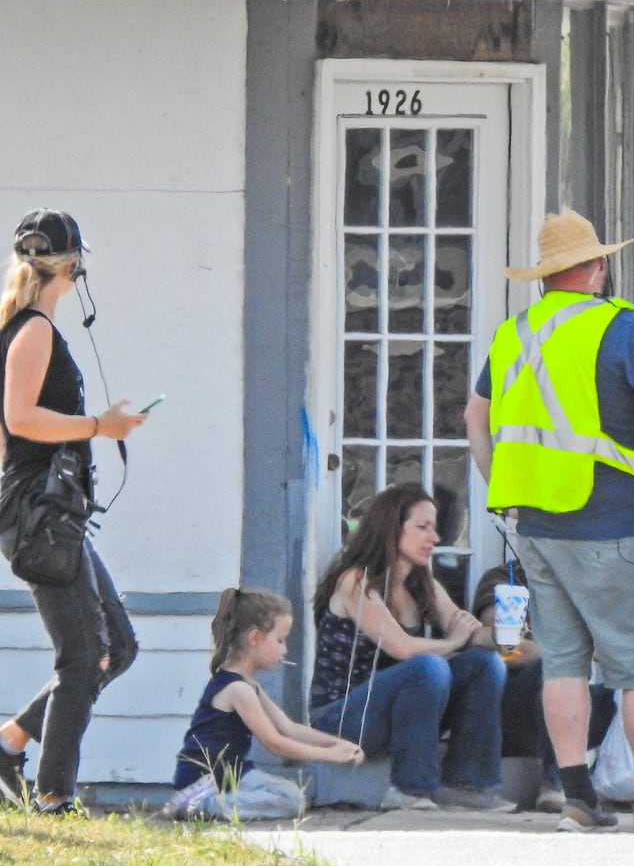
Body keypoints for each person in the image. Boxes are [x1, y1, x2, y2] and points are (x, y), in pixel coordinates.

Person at [464, 208, 634, 834]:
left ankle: (577, 798)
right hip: (609, 522)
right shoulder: (623, 327)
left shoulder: (514, 332)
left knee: (564, 664)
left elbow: (474, 417)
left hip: (537, 527)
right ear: (599, 266)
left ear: (546, 277)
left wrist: (502, 487)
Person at [0, 209, 148, 816]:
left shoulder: (23, 326)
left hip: (49, 510)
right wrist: (100, 426)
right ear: (73, 264)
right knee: (84, 656)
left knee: (120, 645)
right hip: (40, 511)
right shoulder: (32, 330)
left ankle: (10, 743)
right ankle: (55, 798)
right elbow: (19, 419)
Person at [307, 484, 510, 812]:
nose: (435, 537)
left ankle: (468, 785)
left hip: (397, 715)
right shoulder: (356, 581)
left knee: (486, 663)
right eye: (422, 527)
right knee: (429, 666)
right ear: (391, 527)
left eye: (435, 527)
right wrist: (453, 642)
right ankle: (409, 788)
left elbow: (469, 633)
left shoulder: (422, 583)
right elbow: (402, 648)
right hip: (341, 718)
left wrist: (501, 635)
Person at [469, 561, 634, 811]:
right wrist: (568, 651)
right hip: (522, 703)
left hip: (579, 703)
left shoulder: (588, 583)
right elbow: (503, 644)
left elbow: (613, 650)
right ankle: (557, 785)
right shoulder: (505, 579)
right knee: (558, 669)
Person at [166, 588, 365, 820]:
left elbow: (289, 729)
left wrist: (340, 744)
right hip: (206, 778)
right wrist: (331, 755)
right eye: (280, 640)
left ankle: (211, 804)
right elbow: (275, 743)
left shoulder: (249, 684)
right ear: (254, 638)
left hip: (235, 773)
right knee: (290, 801)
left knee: (290, 794)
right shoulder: (237, 689)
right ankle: (200, 805)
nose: (285, 649)